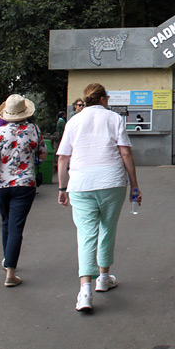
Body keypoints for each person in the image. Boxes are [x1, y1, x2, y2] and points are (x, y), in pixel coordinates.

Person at [56, 83, 141, 312]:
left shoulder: (73, 121)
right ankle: (103, 278)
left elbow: (63, 158)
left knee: (86, 235)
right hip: (111, 182)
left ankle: (85, 292)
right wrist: (134, 185)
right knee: (107, 229)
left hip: (81, 184)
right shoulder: (114, 119)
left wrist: (62, 188)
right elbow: (125, 152)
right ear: (104, 99)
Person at [0, 94, 47, 288]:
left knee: (6, 222)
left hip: (0, 185)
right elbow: (43, 154)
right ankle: (10, 271)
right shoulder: (34, 130)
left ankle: (7, 259)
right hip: (24, 184)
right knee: (16, 227)